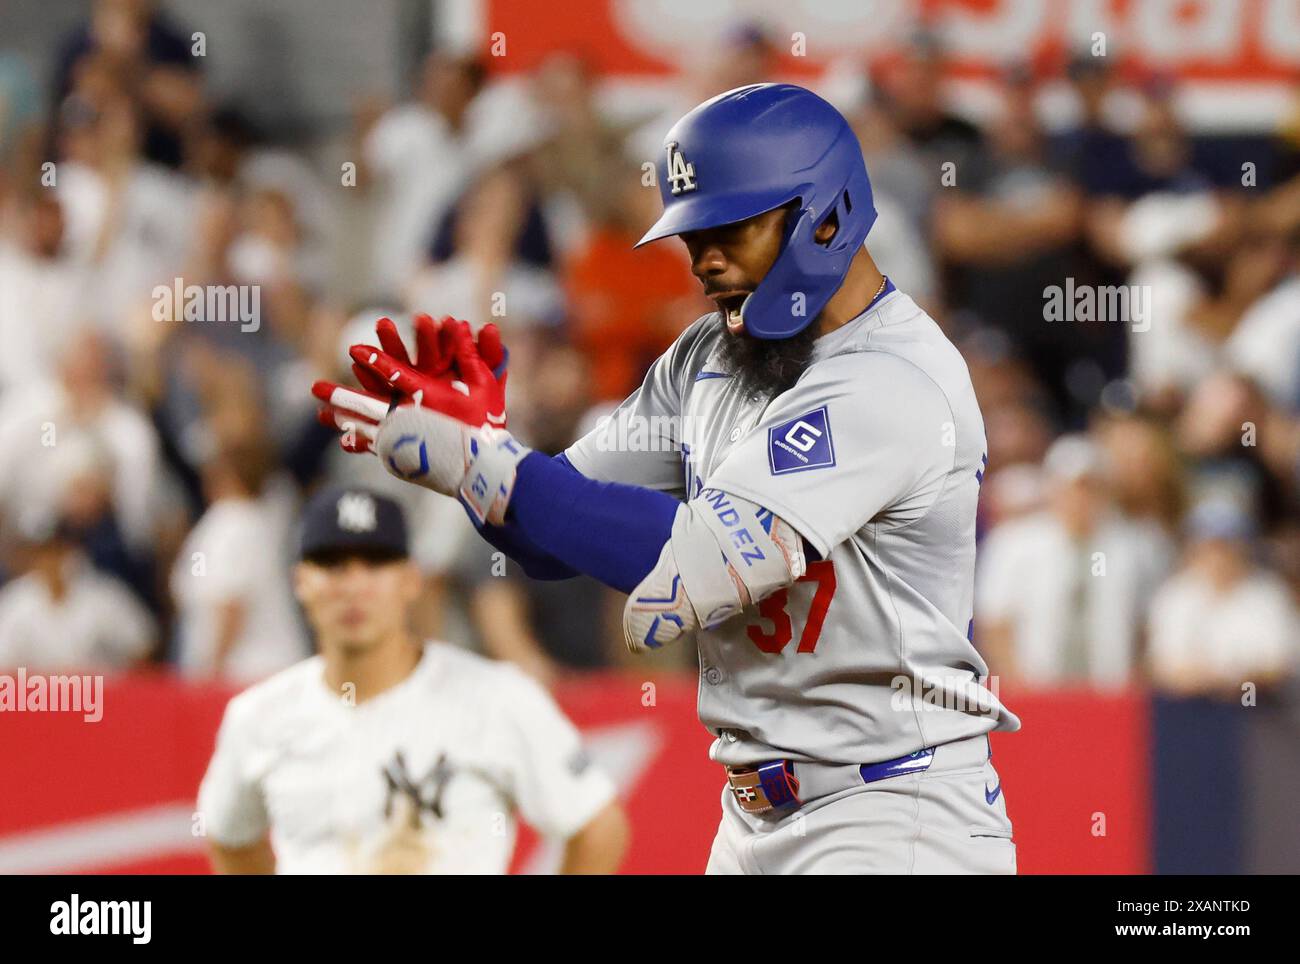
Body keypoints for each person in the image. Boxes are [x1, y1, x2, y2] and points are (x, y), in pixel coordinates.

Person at [315, 84, 1018, 874]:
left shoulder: (893, 380)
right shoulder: (708, 357)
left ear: (826, 214)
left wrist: (486, 467)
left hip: (895, 813)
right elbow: (550, 536)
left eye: (730, 228)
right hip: (754, 816)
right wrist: (485, 452)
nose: (703, 258)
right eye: (692, 234)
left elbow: (695, 563)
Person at [198, 486, 627, 874]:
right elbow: (230, 836)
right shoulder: (259, 717)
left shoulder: (496, 698)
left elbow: (597, 825)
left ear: (410, 580)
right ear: (300, 582)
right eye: (332, 564)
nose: (354, 585)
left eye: (376, 562)